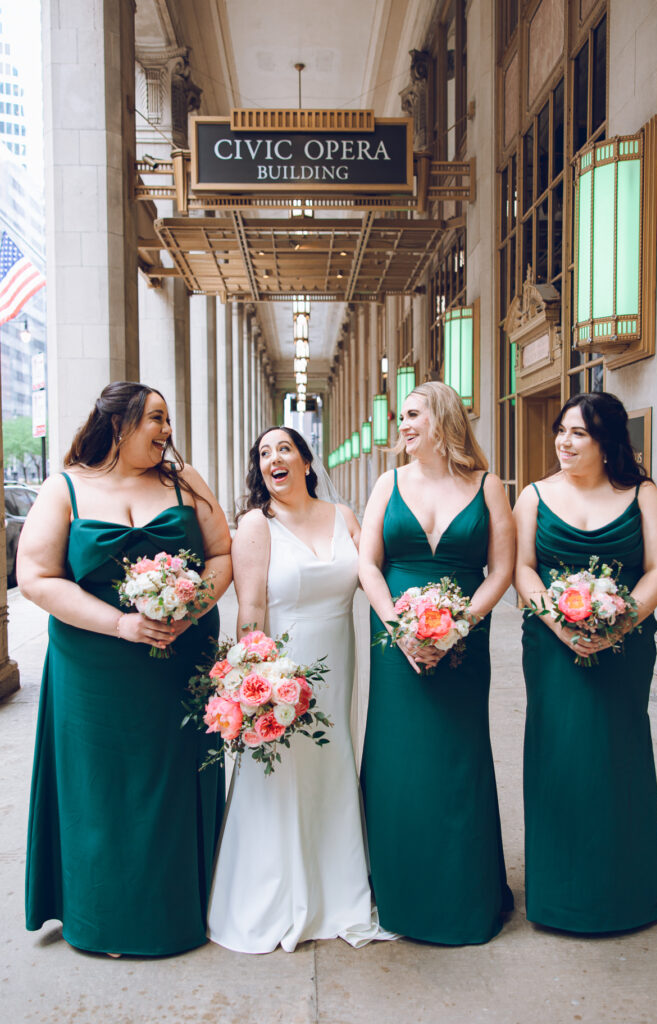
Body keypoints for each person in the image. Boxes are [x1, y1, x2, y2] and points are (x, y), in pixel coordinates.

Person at [19, 382, 232, 957]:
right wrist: (120, 625)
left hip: (180, 661)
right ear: (118, 425)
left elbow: (221, 555)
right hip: (94, 671)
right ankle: (103, 918)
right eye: (156, 419)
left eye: (168, 419)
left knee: (173, 784)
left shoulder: (186, 483)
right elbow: (36, 577)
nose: (167, 431)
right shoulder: (65, 488)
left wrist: (190, 611)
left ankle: (179, 912)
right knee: (101, 792)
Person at [207, 427, 390, 953]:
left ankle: (338, 886)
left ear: (307, 461)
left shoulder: (345, 519)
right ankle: (274, 894)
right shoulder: (255, 526)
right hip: (282, 668)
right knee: (280, 773)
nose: (273, 459)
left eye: (283, 448)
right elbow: (251, 610)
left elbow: (374, 573)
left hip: (338, 661)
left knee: (330, 763)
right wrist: (255, 683)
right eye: (263, 453)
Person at [359, 381, 515, 944]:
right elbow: (369, 565)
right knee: (399, 761)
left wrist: (458, 627)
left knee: (458, 759)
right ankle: (399, 891)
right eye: (402, 416)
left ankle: (463, 892)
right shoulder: (388, 482)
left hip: (463, 644)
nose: (402, 426)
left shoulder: (487, 485)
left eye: (411, 415)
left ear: (442, 420)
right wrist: (399, 628)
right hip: (396, 641)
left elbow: (501, 570)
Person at [514, 391, 657, 933]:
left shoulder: (642, 494)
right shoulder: (533, 496)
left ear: (607, 442)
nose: (564, 440)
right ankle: (560, 895)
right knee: (559, 754)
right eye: (561, 429)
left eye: (578, 432)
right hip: (551, 648)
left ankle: (627, 890)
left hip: (625, 648)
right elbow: (523, 570)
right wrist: (562, 626)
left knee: (617, 754)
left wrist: (618, 623)